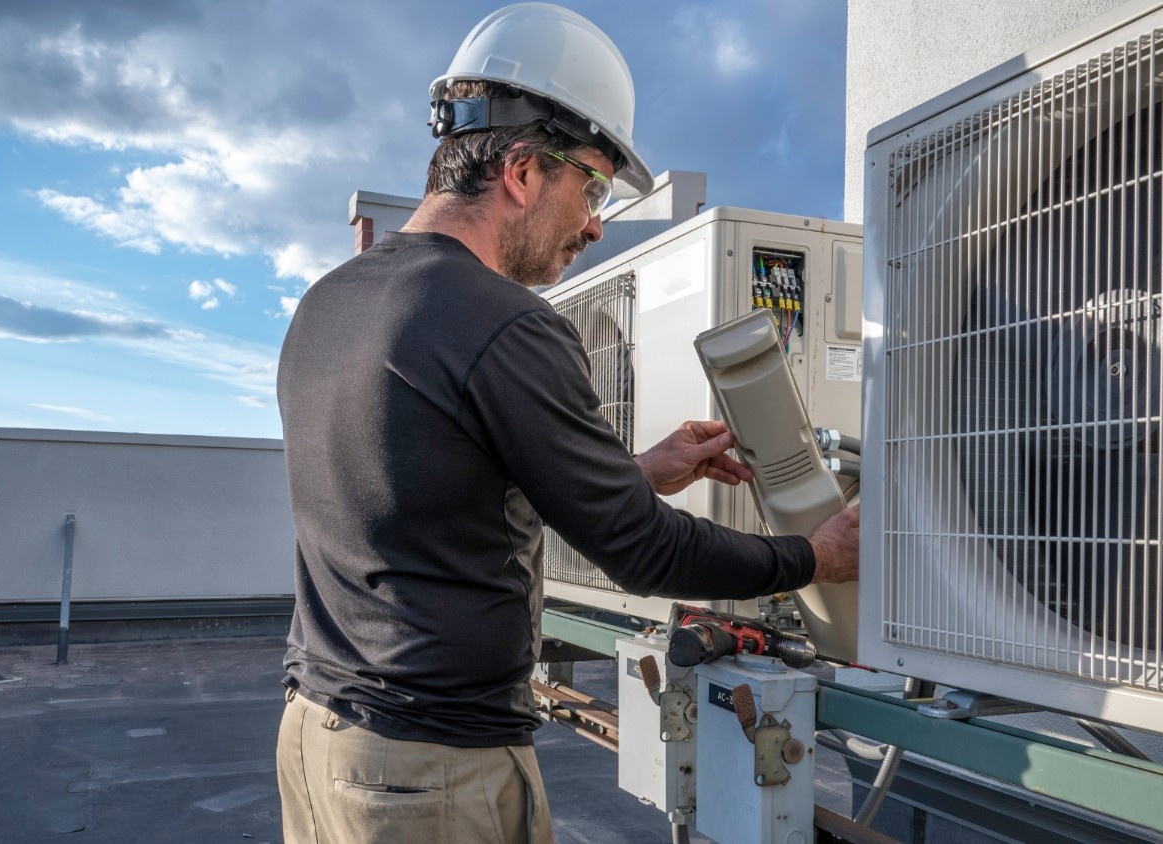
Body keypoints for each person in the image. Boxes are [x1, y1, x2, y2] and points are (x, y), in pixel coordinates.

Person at [274, 5, 859, 842]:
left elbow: (436, 487)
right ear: (521, 170)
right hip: (428, 772)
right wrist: (816, 555)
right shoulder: (502, 322)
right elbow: (643, 550)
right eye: (590, 185)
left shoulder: (328, 304)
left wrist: (642, 469)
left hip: (316, 742)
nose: (593, 222)